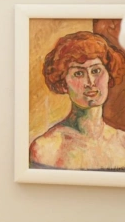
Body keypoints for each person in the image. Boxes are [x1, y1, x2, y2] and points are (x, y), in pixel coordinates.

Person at [29, 31, 125, 170]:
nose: (90, 82)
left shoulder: (122, 143)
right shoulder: (46, 148)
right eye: (79, 73)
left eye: (96, 71)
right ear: (63, 84)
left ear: (109, 75)